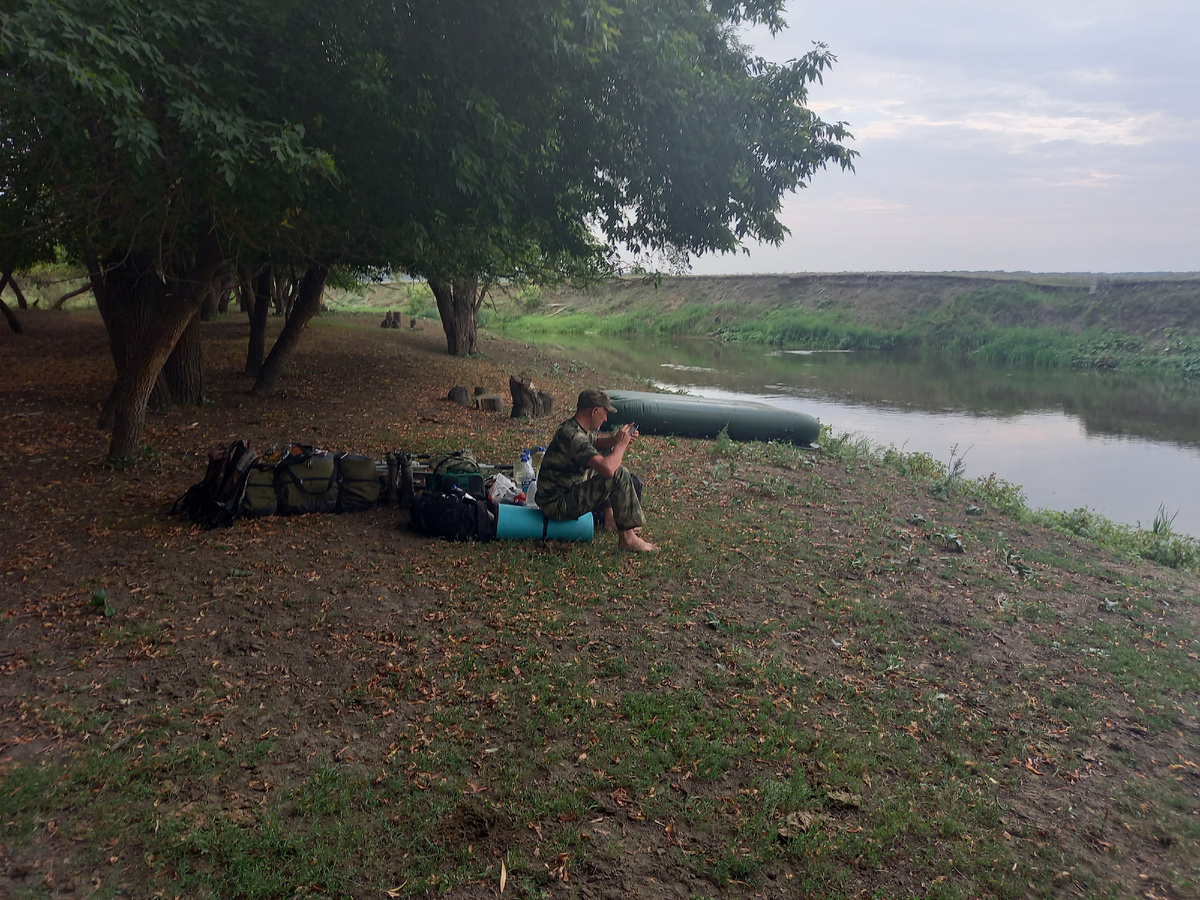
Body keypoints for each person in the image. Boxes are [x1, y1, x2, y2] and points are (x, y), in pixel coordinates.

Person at [535, 389, 658, 552]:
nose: (606, 418)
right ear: (594, 411)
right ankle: (628, 539)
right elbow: (608, 470)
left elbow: (595, 444)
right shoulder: (573, 436)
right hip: (557, 505)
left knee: (606, 454)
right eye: (605, 413)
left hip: (562, 492)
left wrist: (616, 440)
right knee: (617, 474)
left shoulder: (574, 427)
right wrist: (621, 445)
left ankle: (611, 518)